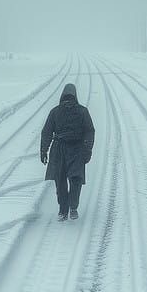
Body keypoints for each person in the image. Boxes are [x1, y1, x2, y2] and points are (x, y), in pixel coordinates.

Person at [40, 83, 95, 221]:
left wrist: (44, 150)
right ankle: (72, 208)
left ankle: (63, 211)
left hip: (59, 149)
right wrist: (87, 148)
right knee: (76, 179)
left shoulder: (55, 111)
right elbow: (89, 131)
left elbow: (46, 132)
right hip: (76, 149)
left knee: (60, 181)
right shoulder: (82, 111)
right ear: (75, 95)